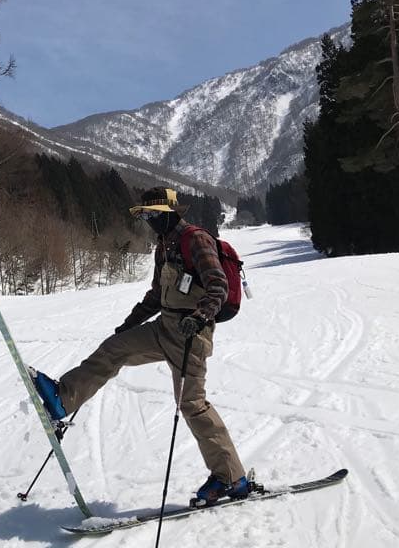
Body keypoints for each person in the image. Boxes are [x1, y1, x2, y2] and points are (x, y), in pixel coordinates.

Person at [31, 187, 249, 504]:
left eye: (153, 214)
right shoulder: (164, 246)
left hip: (191, 334)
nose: (148, 219)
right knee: (114, 348)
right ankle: (63, 399)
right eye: (145, 214)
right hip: (166, 327)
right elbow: (157, 297)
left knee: (192, 404)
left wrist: (200, 316)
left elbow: (218, 284)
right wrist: (131, 323)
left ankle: (232, 479)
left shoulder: (195, 239)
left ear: (170, 212)